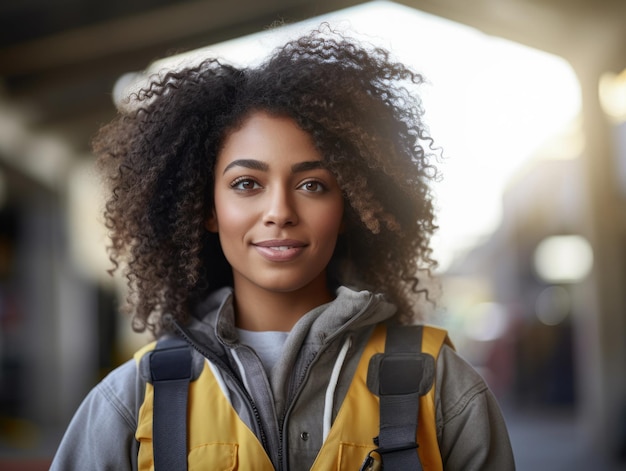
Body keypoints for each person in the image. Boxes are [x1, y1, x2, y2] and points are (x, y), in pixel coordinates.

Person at [51, 24, 515, 470]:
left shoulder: (441, 389)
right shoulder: (133, 401)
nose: (280, 211)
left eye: (313, 184)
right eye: (247, 183)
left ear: (351, 206)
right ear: (206, 208)